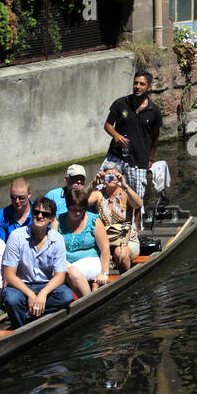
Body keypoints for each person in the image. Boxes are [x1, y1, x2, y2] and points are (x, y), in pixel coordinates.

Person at [0, 197, 74, 326]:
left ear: (51, 218)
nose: (40, 216)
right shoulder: (16, 236)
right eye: (36, 212)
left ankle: (31, 317)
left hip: (45, 284)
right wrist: (30, 294)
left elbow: (60, 276)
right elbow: (9, 275)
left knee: (66, 296)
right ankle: (20, 327)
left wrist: (43, 294)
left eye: (45, 214)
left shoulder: (57, 239)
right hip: (21, 285)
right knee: (11, 299)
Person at [103, 71, 162, 224]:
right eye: (136, 83)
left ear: (148, 86)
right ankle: (106, 227)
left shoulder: (154, 111)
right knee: (103, 190)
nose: (137, 86)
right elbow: (108, 124)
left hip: (139, 161)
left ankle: (134, 235)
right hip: (116, 156)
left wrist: (150, 159)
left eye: (142, 84)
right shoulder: (121, 103)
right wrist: (115, 135)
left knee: (135, 200)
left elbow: (155, 138)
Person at [57, 183, 111, 298]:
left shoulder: (93, 221)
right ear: (67, 206)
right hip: (66, 263)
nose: (77, 213)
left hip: (90, 260)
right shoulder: (58, 221)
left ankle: (88, 299)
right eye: (74, 210)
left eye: (81, 210)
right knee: (63, 270)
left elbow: (105, 248)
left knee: (72, 272)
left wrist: (104, 273)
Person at [88, 161, 141, 273]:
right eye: (108, 176)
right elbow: (81, 203)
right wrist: (93, 184)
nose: (111, 179)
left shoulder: (125, 193)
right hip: (105, 242)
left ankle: (125, 280)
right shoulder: (98, 194)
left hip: (126, 240)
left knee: (120, 253)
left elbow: (138, 204)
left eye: (115, 176)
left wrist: (125, 185)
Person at [0, 178, 32, 244]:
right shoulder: (2, 216)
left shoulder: (38, 213)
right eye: (13, 197)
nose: (17, 201)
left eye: (21, 198)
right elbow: (0, 246)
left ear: (29, 194)